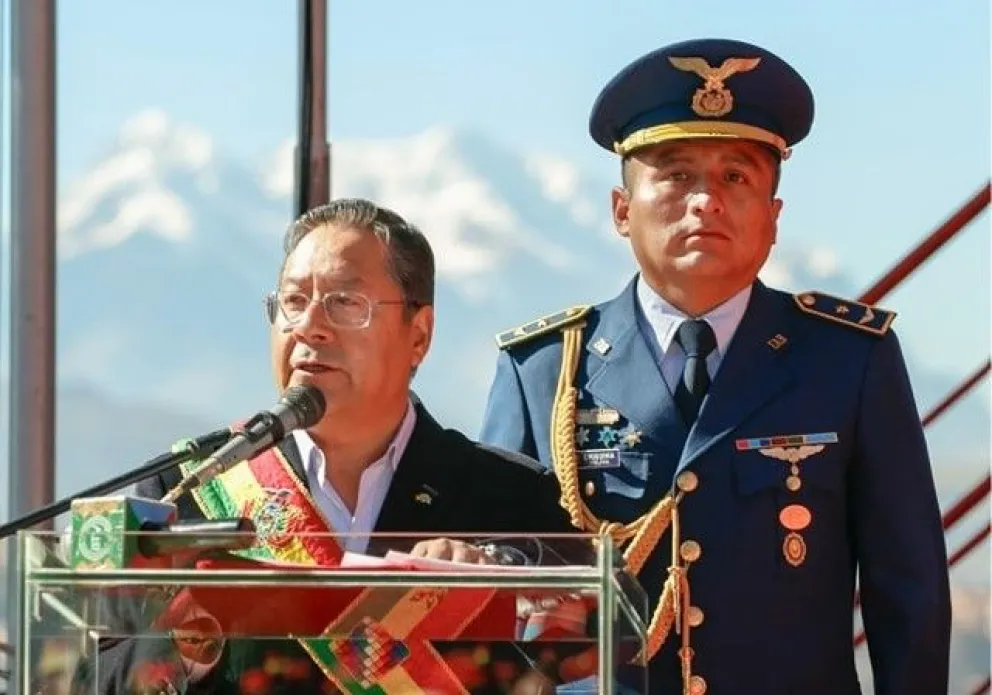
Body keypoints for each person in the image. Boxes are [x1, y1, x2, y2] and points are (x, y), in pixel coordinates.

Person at [479, 37, 951, 695]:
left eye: (736, 176)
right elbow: (490, 591)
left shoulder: (848, 360)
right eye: (675, 175)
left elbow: (909, 591)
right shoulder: (543, 372)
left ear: (773, 217)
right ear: (622, 210)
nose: (706, 200)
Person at [87, 198, 576, 695]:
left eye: (345, 302)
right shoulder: (185, 490)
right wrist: (185, 642)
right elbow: (88, 678)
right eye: (294, 301)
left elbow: (569, 660)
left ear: (419, 336)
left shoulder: (508, 497)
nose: (309, 326)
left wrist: (479, 591)